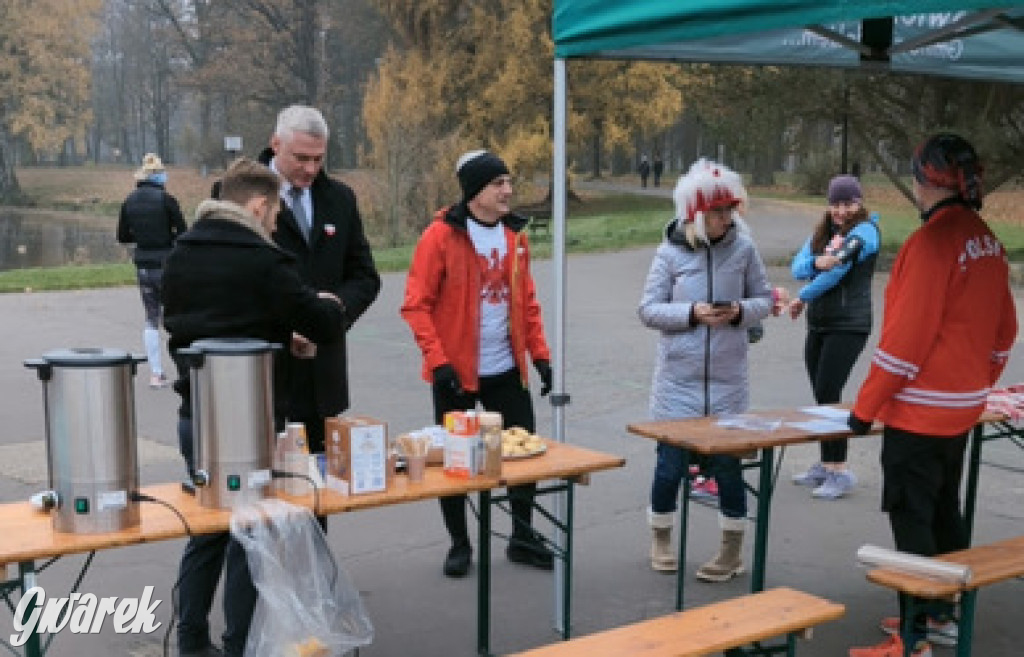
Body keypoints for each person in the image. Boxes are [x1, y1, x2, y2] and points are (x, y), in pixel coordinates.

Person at [162, 158, 347, 657]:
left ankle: (192, 641)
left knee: (206, 531)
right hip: (250, 425)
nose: (275, 226)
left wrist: (279, 338)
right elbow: (322, 323)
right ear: (259, 205)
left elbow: (199, 325)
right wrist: (330, 303)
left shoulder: (180, 252)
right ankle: (240, 644)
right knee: (249, 536)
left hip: (195, 415)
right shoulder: (265, 259)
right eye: (274, 216)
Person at [846, 134, 1017, 657]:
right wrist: (977, 383)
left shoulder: (930, 245)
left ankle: (918, 630)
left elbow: (904, 344)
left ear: (925, 181)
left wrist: (863, 409)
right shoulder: (986, 238)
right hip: (961, 411)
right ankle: (945, 612)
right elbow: (1004, 331)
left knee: (913, 517)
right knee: (945, 510)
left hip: (918, 414)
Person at [401, 149, 555, 578]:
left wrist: (540, 358)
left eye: (508, 182)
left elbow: (527, 304)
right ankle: (460, 542)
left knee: (526, 454)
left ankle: (522, 534)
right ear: (474, 192)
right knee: (456, 461)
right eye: (498, 183)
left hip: (506, 369)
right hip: (456, 374)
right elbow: (416, 305)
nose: (508, 191)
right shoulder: (439, 237)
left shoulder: (514, 238)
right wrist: (439, 363)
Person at [638, 159, 772, 578]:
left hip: (728, 382)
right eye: (717, 213)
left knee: (730, 467)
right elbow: (648, 310)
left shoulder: (744, 249)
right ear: (695, 215)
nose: (725, 220)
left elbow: (765, 301)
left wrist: (737, 312)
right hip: (677, 383)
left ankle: (731, 550)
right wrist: (692, 314)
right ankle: (660, 536)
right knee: (670, 465)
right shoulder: (669, 252)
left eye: (729, 212)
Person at [258, 105, 381, 454]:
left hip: (322, 378)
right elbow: (228, 284)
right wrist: (283, 328)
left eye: (318, 159)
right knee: (266, 499)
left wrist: (333, 312)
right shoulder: (238, 194)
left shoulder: (339, 199)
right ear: (275, 144)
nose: (310, 169)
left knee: (319, 494)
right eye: (300, 158)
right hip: (264, 376)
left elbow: (365, 276)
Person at [788, 175, 880, 499]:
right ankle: (827, 464)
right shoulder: (822, 232)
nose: (841, 210)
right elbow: (797, 266)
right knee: (822, 395)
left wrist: (803, 296)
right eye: (836, 204)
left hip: (849, 324)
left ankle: (840, 470)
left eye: (848, 203)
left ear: (859, 203)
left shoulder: (866, 231)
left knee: (830, 390)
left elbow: (838, 269)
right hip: (820, 324)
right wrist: (816, 262)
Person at [116, 153, 187, 389]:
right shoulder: (166, 200)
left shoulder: (130, 201)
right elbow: (183, 230)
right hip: (167, 263)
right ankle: (184, 369)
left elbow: (123, 236)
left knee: (151, 318)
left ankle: (156, 373)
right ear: (159, 176)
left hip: (144, 265)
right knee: (175, 316)